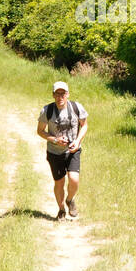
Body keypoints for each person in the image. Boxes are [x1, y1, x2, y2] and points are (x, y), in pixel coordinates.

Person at [36, 80, 87, 220]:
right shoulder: (47, 111)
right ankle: (61, 210)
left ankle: (70, 200)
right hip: (54, 152)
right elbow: (40, 131)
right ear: (53, 95)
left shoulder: (77, 107)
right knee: (59, 182)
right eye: (57, 94)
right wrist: (54, 139)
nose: (60, 97)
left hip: (73, 150)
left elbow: (85, 125)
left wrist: (77, 141)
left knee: (74, 180)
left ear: (68, 94)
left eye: (63, 93)